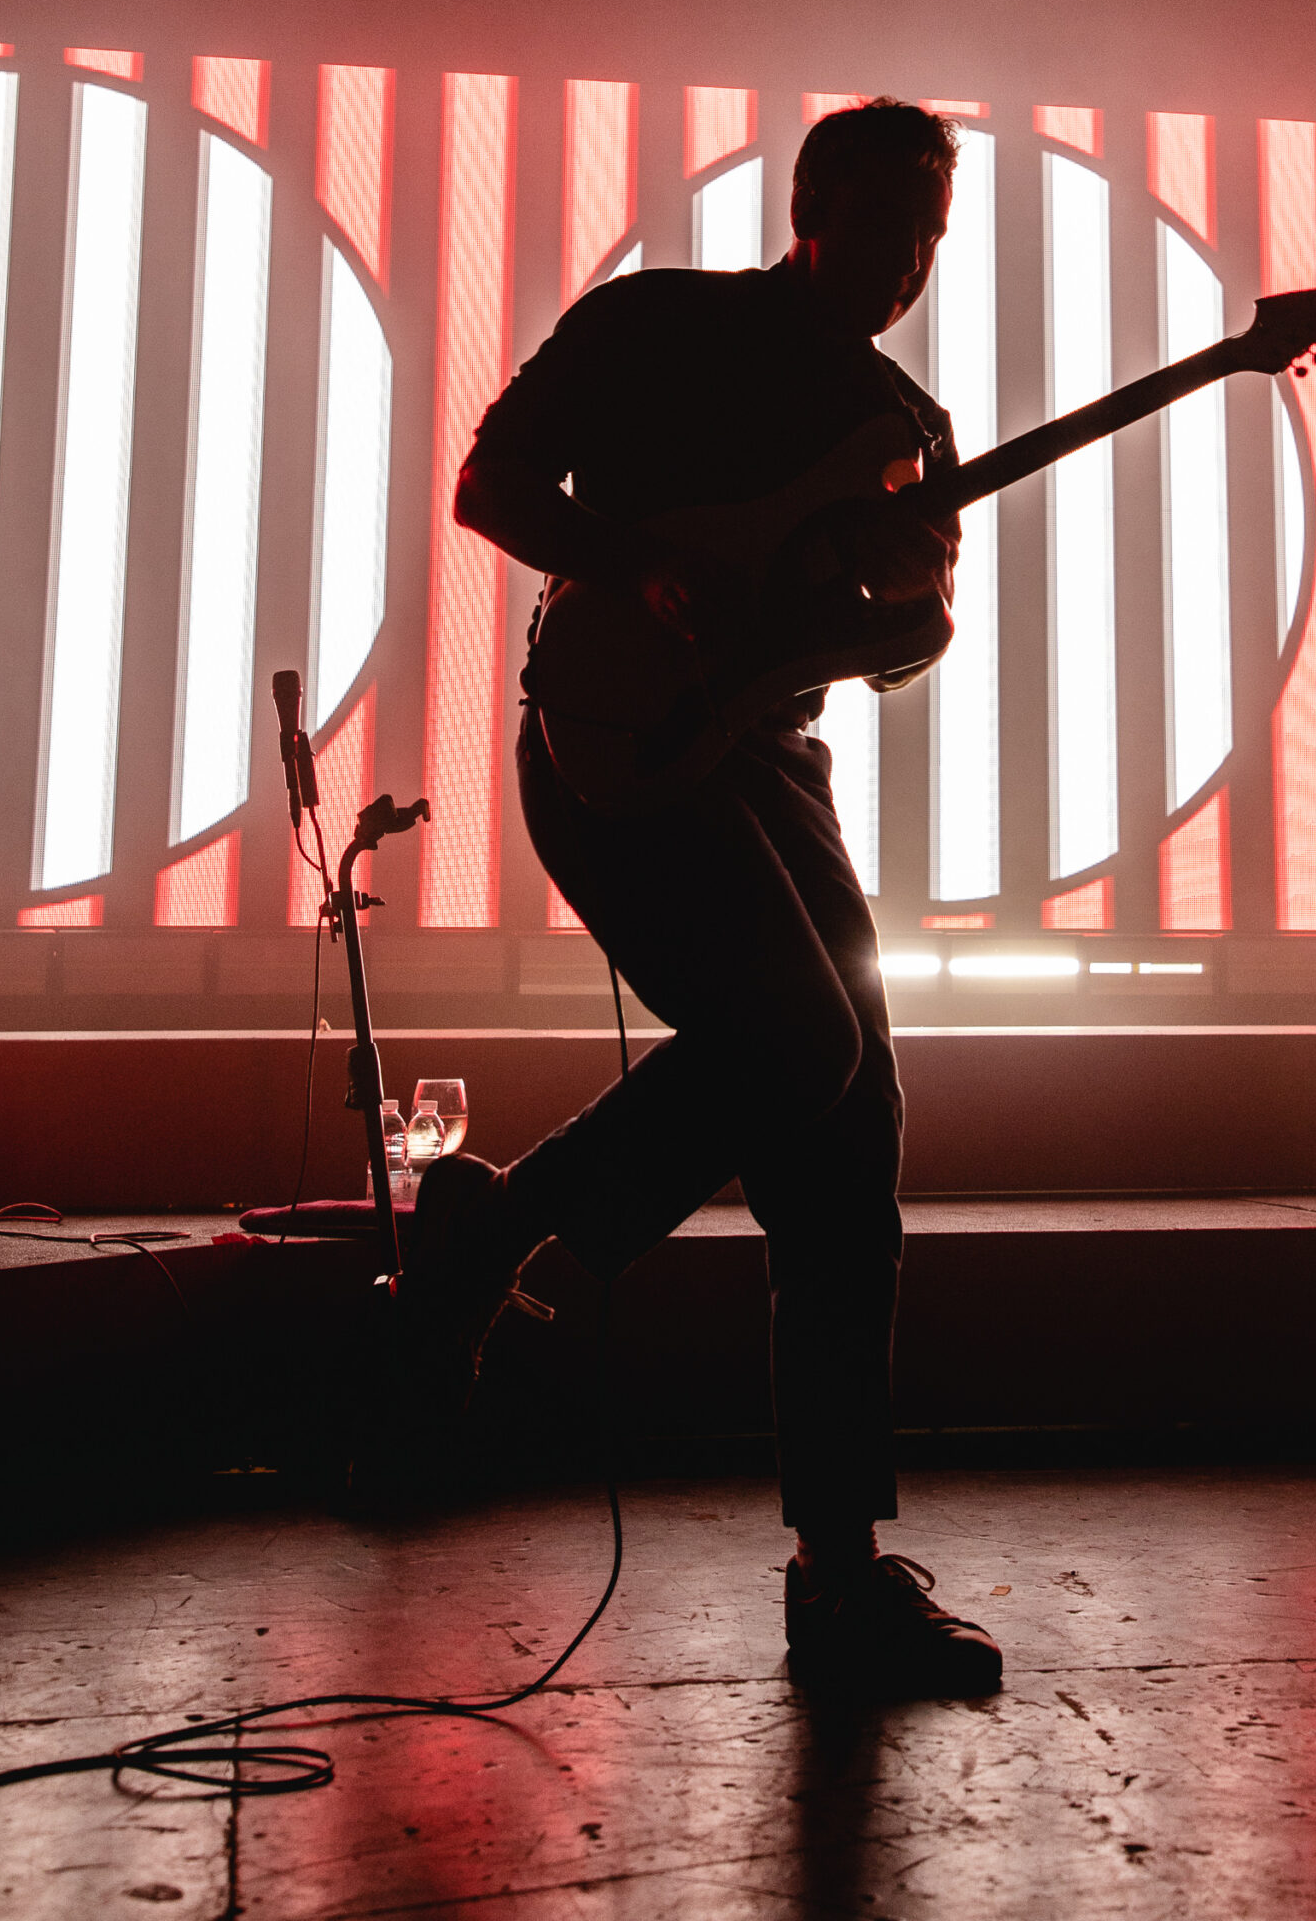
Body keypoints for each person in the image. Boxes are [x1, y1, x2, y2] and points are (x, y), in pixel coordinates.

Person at [403, 98, 1002, 1697]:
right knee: (806, 1044)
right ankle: (500, 1232)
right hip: (614, 736)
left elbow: (909, 643)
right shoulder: (652, 323)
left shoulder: (905, 421)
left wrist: (904, 606)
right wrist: (631, 564)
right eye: (885, 227)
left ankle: (838, 1571)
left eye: (931, 239)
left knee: (851, 1128)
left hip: (771, 756)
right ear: (810, 209)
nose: (908, 264)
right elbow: (489, 487)